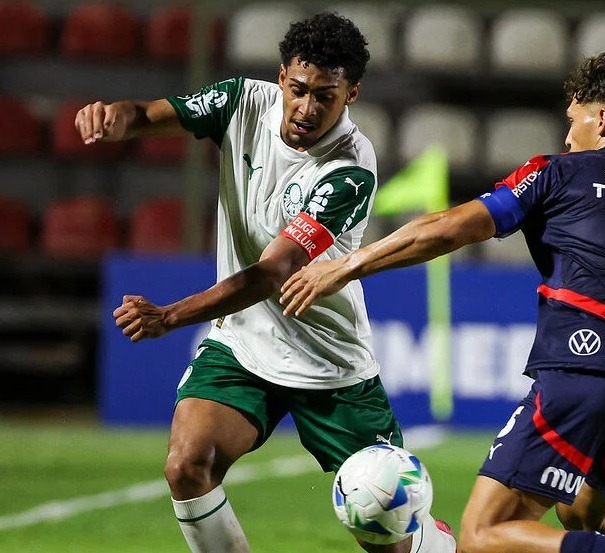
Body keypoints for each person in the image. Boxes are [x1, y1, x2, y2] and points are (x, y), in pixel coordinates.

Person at [279, 51, 605, 553]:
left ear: (602, 119)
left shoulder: (560, 173)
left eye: (573, 119)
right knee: (579, 514)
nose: (567, 135)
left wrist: (346, 264)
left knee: (481, 533)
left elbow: (449, 230)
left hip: (580, 376)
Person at [75, 12, 457, 553]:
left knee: (386, 537)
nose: (307, 107)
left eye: (326, 95)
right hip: (244, 343)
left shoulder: (349, 167)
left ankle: (441, 546)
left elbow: (272, 273)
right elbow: (146, 115)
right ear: (281, 77)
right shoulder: (240, 102)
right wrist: (116, 117)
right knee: (188, 466)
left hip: (329, 363)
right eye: (298, 89)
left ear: (352, 93)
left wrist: (170, 317)